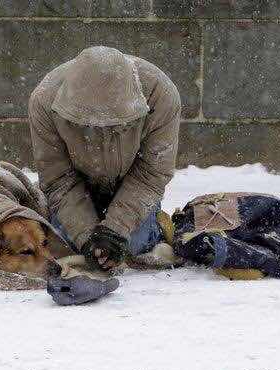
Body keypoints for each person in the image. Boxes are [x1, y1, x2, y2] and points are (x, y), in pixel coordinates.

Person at [29, 46, 181, 270]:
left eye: (114, 125)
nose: (101, 132)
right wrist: (87, 237)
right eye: (87, 125)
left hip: (133, 185)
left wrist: (115, 231)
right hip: (77, 187)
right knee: (67, 244)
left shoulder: (160, 95)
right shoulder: (44, 101)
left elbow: (151, 173)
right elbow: (58, 178)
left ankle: (151, 229)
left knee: (133, 245)